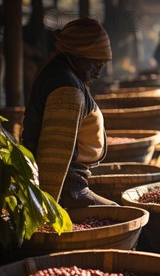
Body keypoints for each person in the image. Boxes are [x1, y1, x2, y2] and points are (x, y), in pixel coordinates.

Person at [22, 18, 118, 208]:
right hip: (69, 188)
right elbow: (54, 159)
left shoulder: (60, 71)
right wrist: (47, 209)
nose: (98, 74)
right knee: (117, 213)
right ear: (78, 55)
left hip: (73, 183)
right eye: (96, 65)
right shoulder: (66, 89)